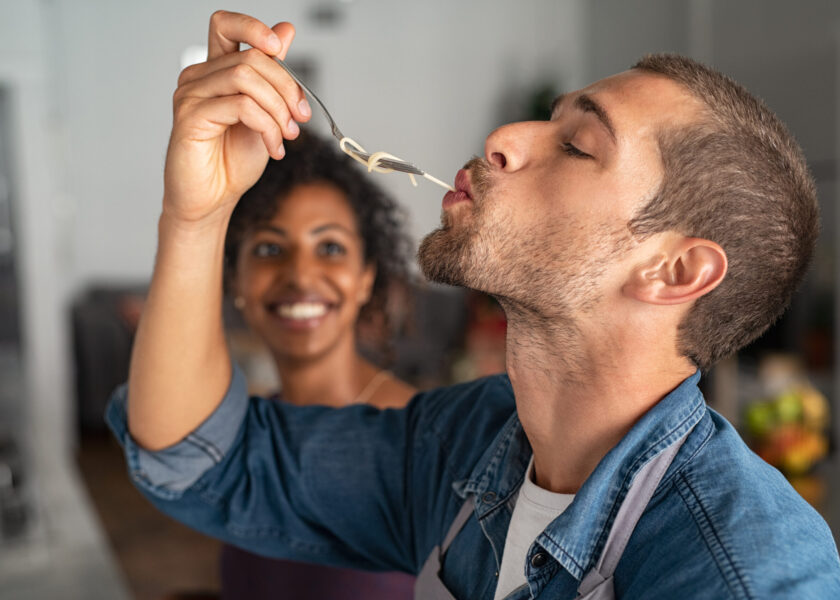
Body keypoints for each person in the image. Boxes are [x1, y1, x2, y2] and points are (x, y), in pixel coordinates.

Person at [107, 10, 840, 599]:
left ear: (675, 271)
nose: (503, 139)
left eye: (578, 146)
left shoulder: (746, 569)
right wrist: (197, 215)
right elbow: (203, 461)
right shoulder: (468, 442)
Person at [217, 133, 416, 598]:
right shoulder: (241, 435)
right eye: (269, 248)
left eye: (329, 248)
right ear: (236, 280)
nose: (301, 276)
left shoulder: (422, 436)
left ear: (367, 278)